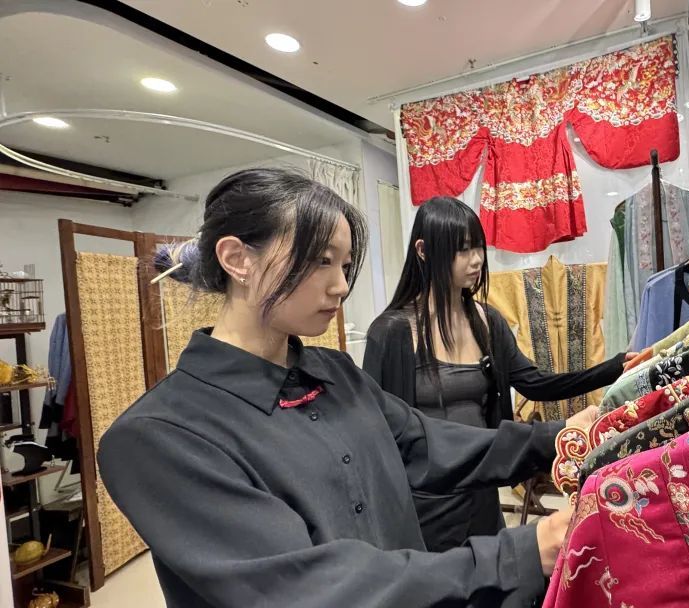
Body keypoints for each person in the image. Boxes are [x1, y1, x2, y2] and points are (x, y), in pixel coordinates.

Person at [97, 169, 575, 608]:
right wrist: (518, 554)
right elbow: (307, 588)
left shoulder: (337, 374)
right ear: (237, 259)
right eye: (321, 261)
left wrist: (565, 436)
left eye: (344, 265)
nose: (341, 285)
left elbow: (429, 445)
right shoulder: (158, 437)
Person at [364, 196, 630, 553]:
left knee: (493, 575)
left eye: (478, 247)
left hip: (482, 492)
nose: (476, 260)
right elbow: (375, 432)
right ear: (423, 250)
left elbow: (535, 384)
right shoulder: (392, 332)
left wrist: (615, 368)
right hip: (425, 501)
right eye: (462, 249)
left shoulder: (487, 321)